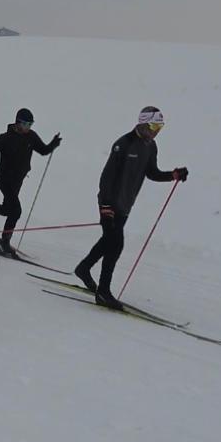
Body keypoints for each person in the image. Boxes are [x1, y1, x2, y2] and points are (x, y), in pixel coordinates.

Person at [75, 107, 187, 310]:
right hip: (109, 203)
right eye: (154, 126)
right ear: (143, 124)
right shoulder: (123, 144)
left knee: (108, 241)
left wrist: (173, 175)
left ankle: (83, 269)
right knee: (115, 245)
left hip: (126, 204)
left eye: (160, 127)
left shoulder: (151, 146)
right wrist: (106, 207)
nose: (157, 131)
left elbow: (152, 173)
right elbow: (106, 177)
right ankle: (103, 292)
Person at [0, 108, 61, 255]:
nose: (28, 128)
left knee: (9, 209)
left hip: (18, 180)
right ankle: (4, 243)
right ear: (18, 123)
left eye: (30, 124)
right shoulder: (6, 138)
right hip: (5, 179)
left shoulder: (31, 136)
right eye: (26, 124)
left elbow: (43, 150)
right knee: (16, 211)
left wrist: (53, 143)